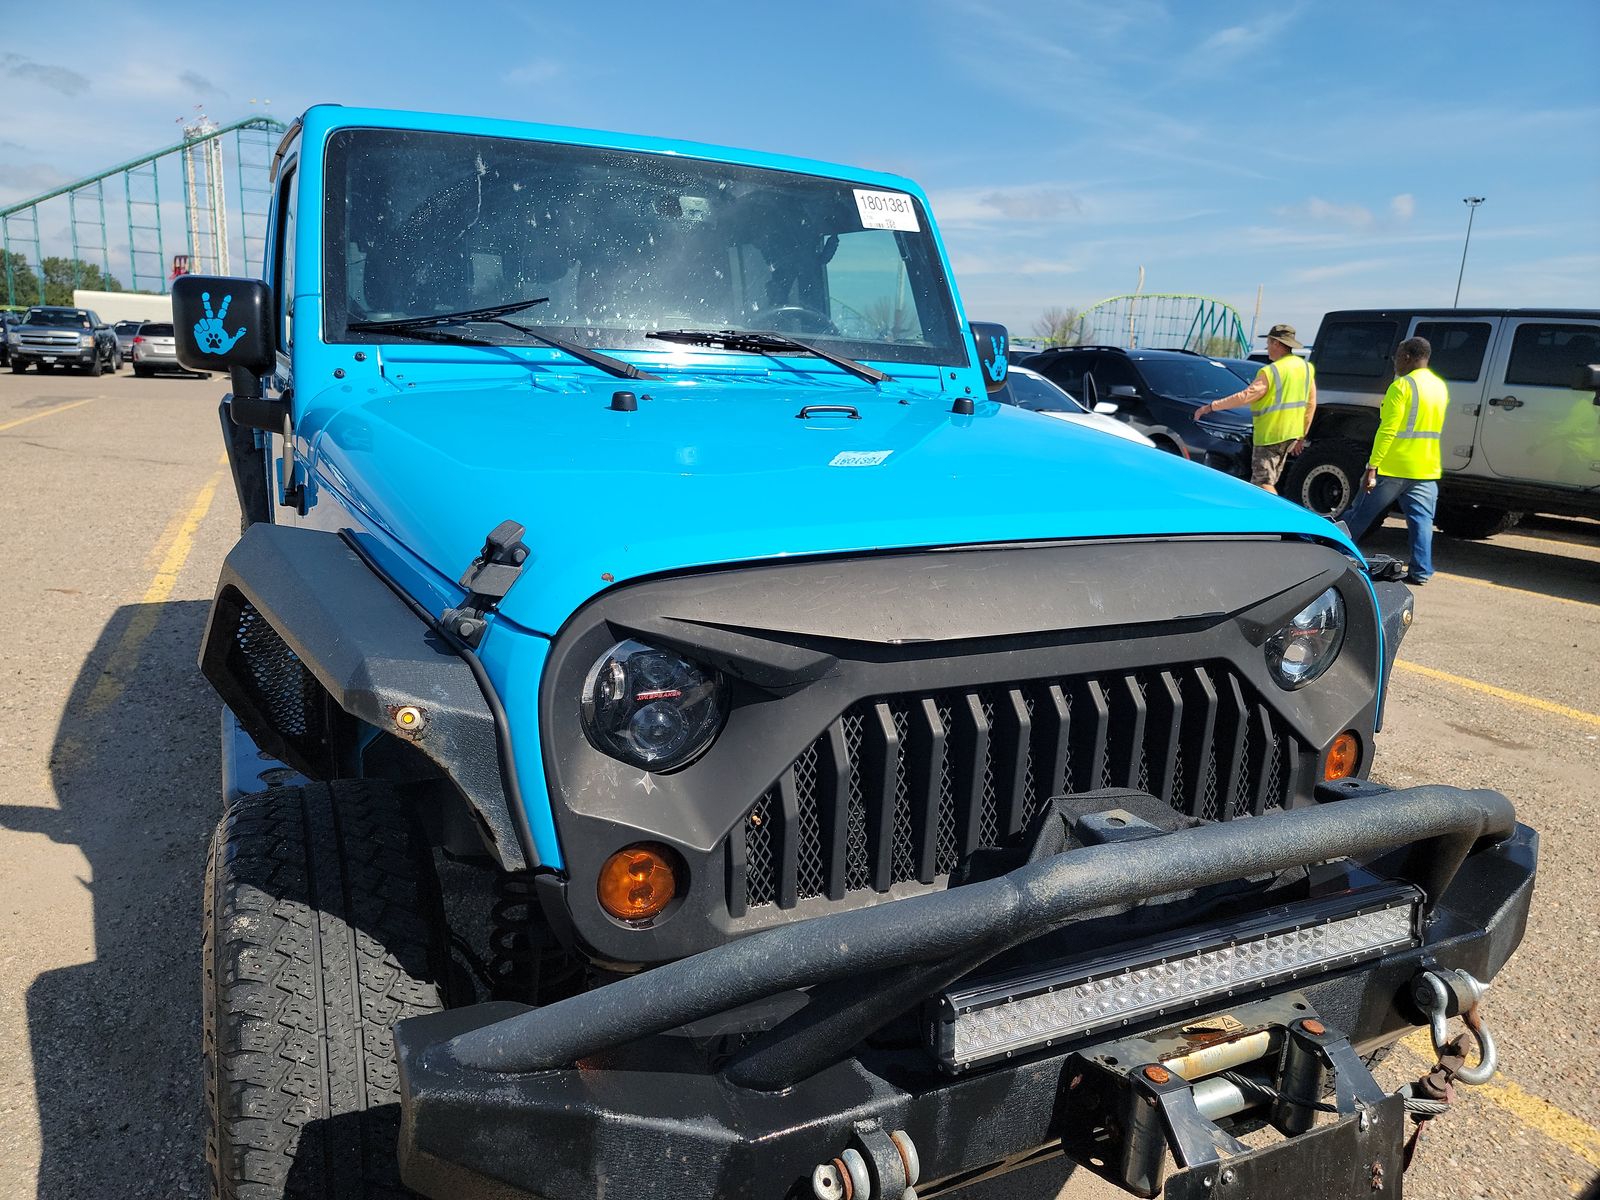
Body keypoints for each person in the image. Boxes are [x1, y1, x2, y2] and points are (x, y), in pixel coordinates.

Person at [1339, 336, 1449, 585]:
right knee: (1422, 523)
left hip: (1394, 467)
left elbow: (1387, 430)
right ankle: (1421, 572)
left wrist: (1372, 467)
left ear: (1407, 357)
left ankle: (1335, 555)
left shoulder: (1402, 387)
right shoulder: (1439, 386)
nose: (1395, 362)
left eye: (1397, 356)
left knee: (1358, 516)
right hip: (1426, 468)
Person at [1195, 323, 1316, 493]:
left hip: (1270, 435)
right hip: (1291, 435)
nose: (1267, 348)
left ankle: (1274, 517)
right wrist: (1302, 436)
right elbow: (1311, 404)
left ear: (1277, 343)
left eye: (1268, 343)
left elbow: (1246, 396)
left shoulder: (1272, 370)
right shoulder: (1305, 368)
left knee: (1262, 483)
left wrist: (1211, 407)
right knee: (1268, 480)